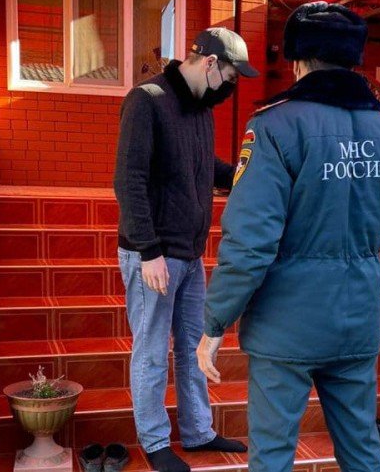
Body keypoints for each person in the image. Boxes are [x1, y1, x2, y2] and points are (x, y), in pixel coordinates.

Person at [196, 2, 380, 472]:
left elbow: (251, 241)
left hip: (286, 323)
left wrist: (215, 322)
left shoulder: (275, 125)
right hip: (357, 315)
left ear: (297, 61)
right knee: (362, 447)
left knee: (273, 455)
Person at [114, 28, 258, 472]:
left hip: (190, 255)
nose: (230, 88)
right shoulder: (147, 100)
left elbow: (203, 166)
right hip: (154, 255)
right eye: (230, 77)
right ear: (211, 63)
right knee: (152, 351)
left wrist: (246, 176)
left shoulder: (199, 110)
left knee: (194, 347)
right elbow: (129, 180)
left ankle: (198, 432)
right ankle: (156, 441)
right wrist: (148, 251)